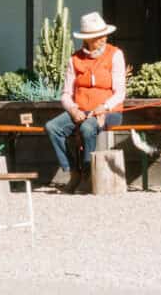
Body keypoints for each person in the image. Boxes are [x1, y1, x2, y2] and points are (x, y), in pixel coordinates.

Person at [45, 12, 126, 193]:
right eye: (98, 36)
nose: (104, 38)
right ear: (88, 39)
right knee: (52, 127)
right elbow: (65, 94)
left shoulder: (115, 55)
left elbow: (120, 93)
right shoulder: (75, 60)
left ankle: (89, 173)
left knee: (87, 128)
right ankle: (74, 172)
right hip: (81, 109)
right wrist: (73, 110)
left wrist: (104, 107)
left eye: (104, 34)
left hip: (110, 111)